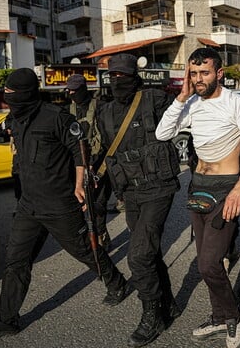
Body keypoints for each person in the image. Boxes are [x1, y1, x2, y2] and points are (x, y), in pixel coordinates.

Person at [0, 68, 127, 340]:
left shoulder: (56, 117)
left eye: (11, 94)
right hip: (28, 207)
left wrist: (79, 184)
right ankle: (6, 321)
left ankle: (116, 284)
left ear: (24, 94)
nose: (8, 98)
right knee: (15, 262)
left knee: (85, 251)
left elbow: (80, 151)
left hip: (59, 205)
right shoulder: (17, 119)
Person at [156, 47, 240, 348]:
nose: (199, 78)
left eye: (204, 73)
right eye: (194, 73)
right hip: (198, 185)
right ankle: (220, 316)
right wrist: (180, 96)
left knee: (208, 264)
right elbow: (162, 134)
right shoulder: (191, 103)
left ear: (219, 73)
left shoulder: (235, 103)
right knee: (208, 262)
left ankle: (232, 316)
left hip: (225, 188)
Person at [96, 54, 182, 347]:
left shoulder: (155, 100)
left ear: (135, 77)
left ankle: (152, 316)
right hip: (130, 192)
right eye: (113, 77)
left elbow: (185, 120)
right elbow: (106, 155)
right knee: (151, 252)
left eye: (123, 76)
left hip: (159, 188)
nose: (118, 82)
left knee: (138, 256)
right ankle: (168, 304)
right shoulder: (104, 112)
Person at [66, 74, 111, 250]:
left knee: (98, 205)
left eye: (74, 90)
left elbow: (105, 138)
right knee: (81, 203)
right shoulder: (68, 111)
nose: (70, 93)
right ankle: (88, 236)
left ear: (83, 90)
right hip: (77, 165)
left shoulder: (99, 107)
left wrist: (93, 163)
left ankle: (100, 235)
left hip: (98, 166)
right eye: (68, 90)